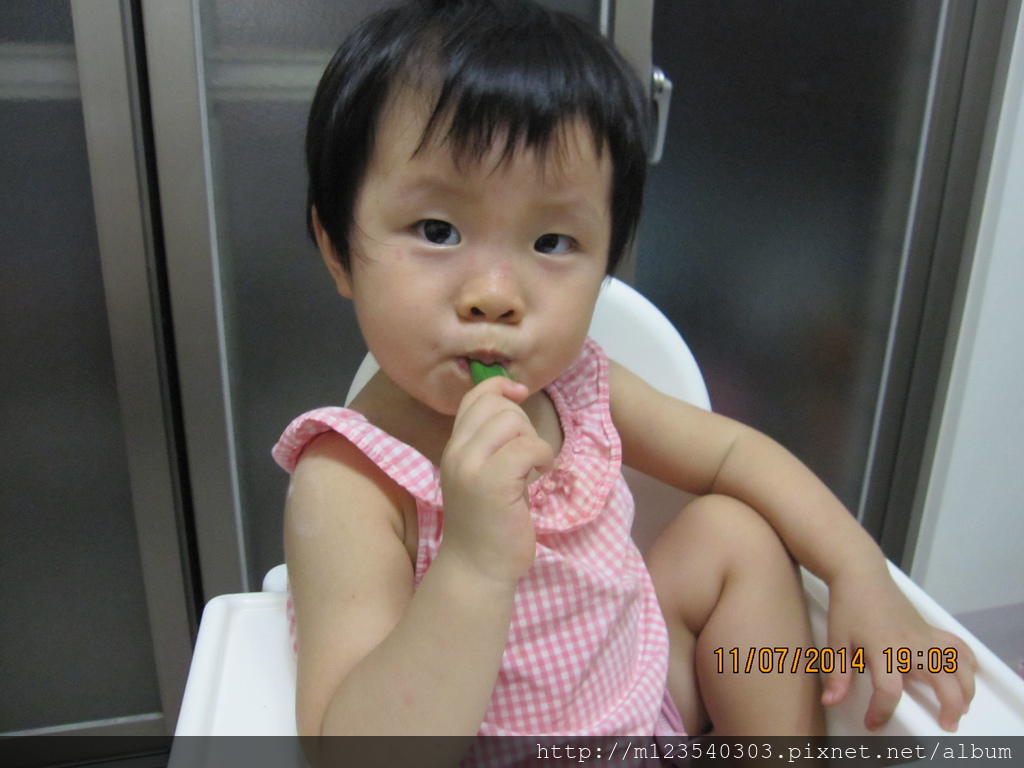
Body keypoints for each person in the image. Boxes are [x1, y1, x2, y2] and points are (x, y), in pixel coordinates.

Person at [273, 0, 976, 754]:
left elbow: (733, 453)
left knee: (733, 534)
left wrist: (860, 572)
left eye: (552, 241)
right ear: (339, 249)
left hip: (639, 708)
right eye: (438, 230)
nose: (495, 295)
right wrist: (473, 563)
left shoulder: (574, 387)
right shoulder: (349, 483)